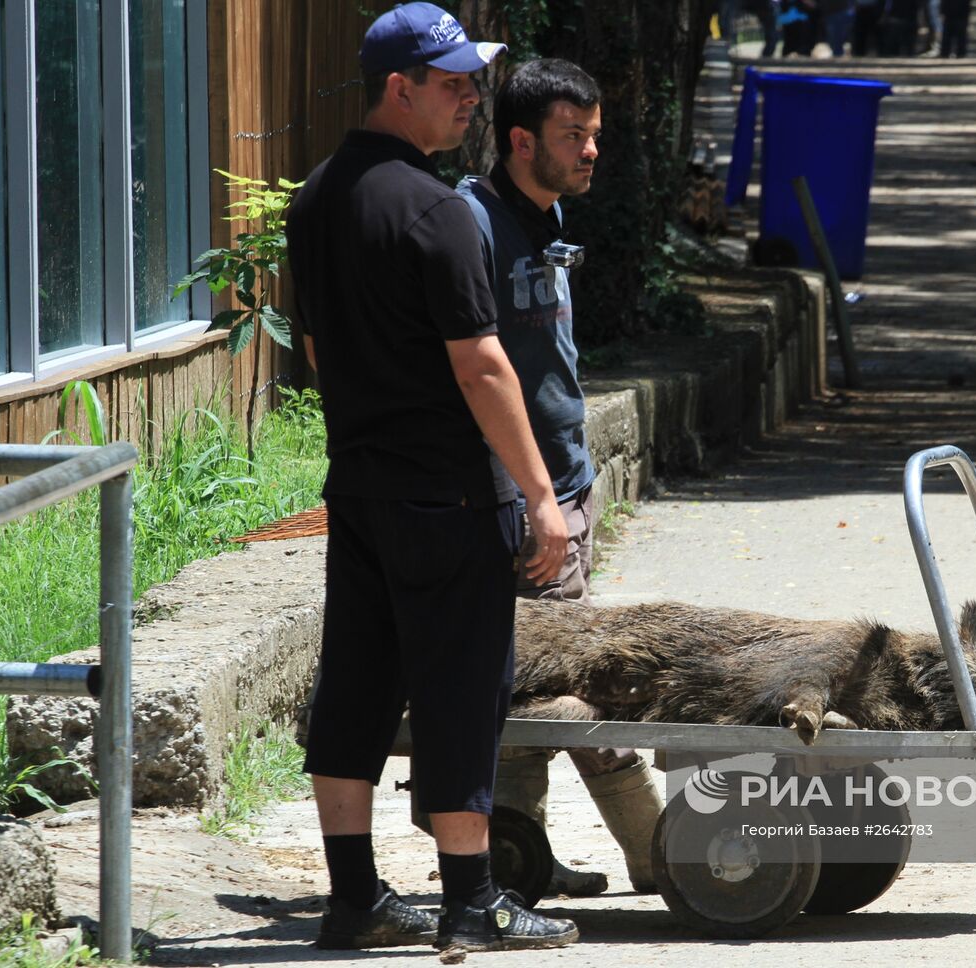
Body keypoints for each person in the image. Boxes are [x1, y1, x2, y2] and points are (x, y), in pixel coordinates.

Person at [286, 3, 577, 953]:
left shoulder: (319, 195)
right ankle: (470, 902)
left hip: (362, 485)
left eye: (473, 81)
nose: (470, 99)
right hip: (449, 492)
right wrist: (540, 496)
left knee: (357, 684)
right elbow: (483, 364)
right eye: (451, 84)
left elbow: (320, 346)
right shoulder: (440, 208)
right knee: (460, 690)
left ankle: (354, 898)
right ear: (397, 88)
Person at [452, 58, 665, 899]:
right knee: (574, 684)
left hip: (566, 484)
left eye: (595, 136)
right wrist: (528, 493)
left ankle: (519, 862)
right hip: (518, 495)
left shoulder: (549, 213)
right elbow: (474, 370)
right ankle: (651, 848)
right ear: (519, 140)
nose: (589, 153)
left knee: (535, 682)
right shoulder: (471, 226)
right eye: (573, 137)